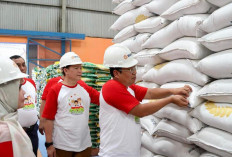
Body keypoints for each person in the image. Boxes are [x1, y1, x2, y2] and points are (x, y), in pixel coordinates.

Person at [98, 44, 192, 157]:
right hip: (115, 153)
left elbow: (150, 93)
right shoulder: (111, 87)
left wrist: (173, 90)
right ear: (116, 73)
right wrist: (170, 99)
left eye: (134, 68)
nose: (134, 72)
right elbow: (140, 111)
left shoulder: (128, 87)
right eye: (130, 69)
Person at [42, 52, 100, 157]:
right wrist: (49, 144)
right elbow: (49, 119)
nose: (80, 71)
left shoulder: (84, 87)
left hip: (84, 144)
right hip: (62, 145)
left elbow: (102, 99)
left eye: (80, 68)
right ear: (66, 70)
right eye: (76, 68)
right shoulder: (56, 90)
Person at [0, 57, 35, 157]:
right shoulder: (6, 133)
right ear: (5, 92)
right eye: (19, 88)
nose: (24, 92)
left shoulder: (9, 122)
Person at [10, 55, 39, 156]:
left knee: (33, 153)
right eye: (18, 65)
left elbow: (33, 103)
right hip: (15, 133)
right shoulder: (7, 86)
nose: (22, 68)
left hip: (32, 130)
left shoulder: (31, 83)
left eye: (23, 65)